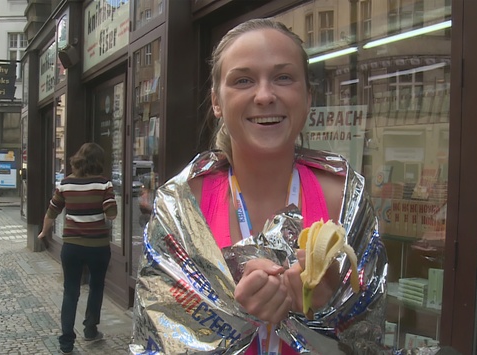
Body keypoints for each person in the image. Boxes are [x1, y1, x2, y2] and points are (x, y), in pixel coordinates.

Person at [130, 19, 386, 354]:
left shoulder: (342, 199)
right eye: (243, 80)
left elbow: (369, 338)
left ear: (308, 97)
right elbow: (158, 340)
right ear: (216, 101)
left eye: (283, 77)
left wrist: (325, 309)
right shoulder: (182, 205)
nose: (265, 95)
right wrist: (236, 318)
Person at [37, 142, 117, 355]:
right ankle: (90, 329)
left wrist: (44, 233)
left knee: (70, 291)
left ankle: (66, 342)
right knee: (96, 286)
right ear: (99, 161)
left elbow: (51, 212)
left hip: (71, 246)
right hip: (98, 246)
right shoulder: (104, 184)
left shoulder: (65, 184)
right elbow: (112, 214)